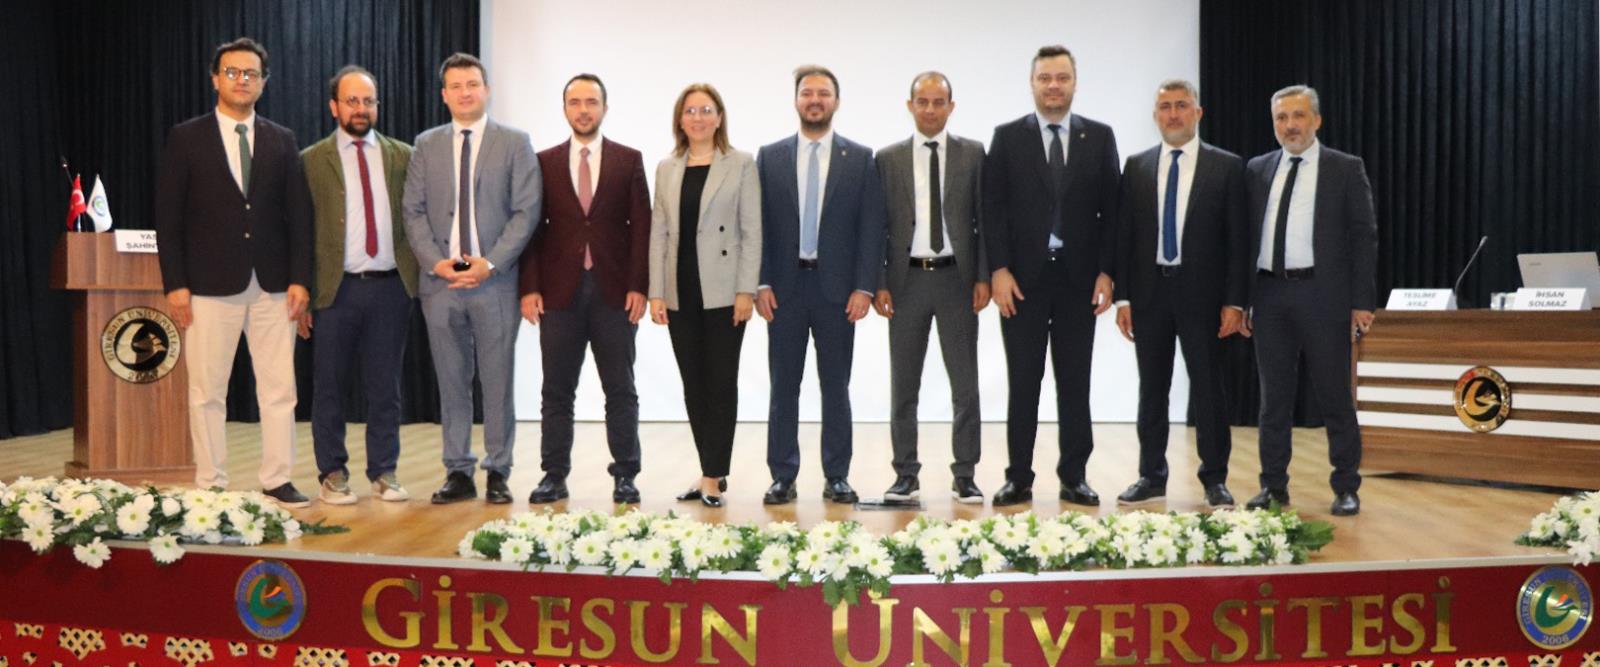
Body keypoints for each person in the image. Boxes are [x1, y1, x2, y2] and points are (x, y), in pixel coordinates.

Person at [153, 37, 313, 507]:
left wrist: (301, 278)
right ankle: (211, 482)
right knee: (206, 390)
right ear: (215, 79)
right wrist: (175, 283)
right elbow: (169, 217)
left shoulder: (283, 139)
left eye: (251, 73)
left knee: (280, 389)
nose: (242, 80)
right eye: (232, 72)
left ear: (263, 82)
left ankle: (278, 478)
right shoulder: (186, 138)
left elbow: (300, 216)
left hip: (274, 285)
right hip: (207, 286)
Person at [982, 45, 1121, 507]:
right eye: (1045, 78)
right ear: (1032, 84)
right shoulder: (1007, 138)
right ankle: (1018, 477)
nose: (1054, 86)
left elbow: (1112, 212)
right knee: (1024, 382)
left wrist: (1107, 272)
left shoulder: (1099, 137)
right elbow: (993, 209)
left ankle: (1074, 476)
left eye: (1062, 78)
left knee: (1074, 383)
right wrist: (999, 269)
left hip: (1079, 281)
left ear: (1074, 83)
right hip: (1021, 283)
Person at [402, 52, 541, 505]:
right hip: (441, 283)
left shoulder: (514, 142)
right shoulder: (425, 145)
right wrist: (435, 262)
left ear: (487, 90)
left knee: (497, 382)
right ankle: (457, 470)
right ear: (444, 95)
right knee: (451, 381)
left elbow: (526, 211)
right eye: (456, 86)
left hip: (495, 282)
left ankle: (498, 469)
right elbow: (413, 211)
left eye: (472, 84)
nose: (465, 93)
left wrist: (491, 263)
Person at [1240, 84, 1377, 517]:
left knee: (1334, 395)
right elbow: (1245, 238)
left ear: (1316, 120)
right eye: (1281, 118)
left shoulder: (1344, 168)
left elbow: (1363, 237)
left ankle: (1346, 485)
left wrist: (1362, 301)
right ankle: (1272, 486)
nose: (1290, 125)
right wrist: (1242, 300)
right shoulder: (1258, 169)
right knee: (1273, 400)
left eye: (1298, 116)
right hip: (1270, 294)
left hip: (1323, 295)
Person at [1111, 79, 1248, 509]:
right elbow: (1124, 237)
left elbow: (1239, 242)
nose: (1173, 114)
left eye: (1182, 105)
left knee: (1209, 388)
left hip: (1204, 298)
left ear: (1198, 112)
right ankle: (1151, 475)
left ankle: (1215, 478)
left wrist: (1235, 301)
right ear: (1155, 115)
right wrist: (1123, 299)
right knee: (1152, 389)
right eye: (1166, 107)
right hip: (1149, 294)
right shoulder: (1136, 166)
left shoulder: (1226, 167)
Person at [755, 65, 886, 505]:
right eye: (807, 92)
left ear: (836, 101)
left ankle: (837, 475)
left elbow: (871, 228)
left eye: (823, 93)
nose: (815, 100)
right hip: (784, 290)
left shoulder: (860, 158)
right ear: (796, 100)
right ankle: (782, 475)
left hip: (838, 293)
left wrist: (864, 287)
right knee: (783, 387)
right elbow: (759, 226)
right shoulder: (770, 157)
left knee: (836, 386)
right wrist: (761, 282)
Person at [518, 74, 651, 505]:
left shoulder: (629, 160)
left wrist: (639, 285)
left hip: (615, 293)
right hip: (559, 295)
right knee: (556, 390)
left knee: (620, 388)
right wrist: (529, 287)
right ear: (564, 109)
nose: (583, 110)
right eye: (574, 102)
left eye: (591, 102)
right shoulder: (543, 162)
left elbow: (642, 228)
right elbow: (532, 229)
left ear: (604, 108)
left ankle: (625, 474)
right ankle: (553, 475)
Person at [298, 65, 418, 504]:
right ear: (335, 107)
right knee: (329, 385)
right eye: (352, 101)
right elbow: (300, 232)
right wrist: (302, 291)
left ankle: (384, 471)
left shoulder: (403, 156)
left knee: (385, 387)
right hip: (335, 290)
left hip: (391, 288)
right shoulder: (311, 160)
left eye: (368, 101)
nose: (361, 108)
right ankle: (332, 472)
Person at [872, 71, 988, 504]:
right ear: (910, 106)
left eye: (939, 102)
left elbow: (984, 221)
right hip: (906, 282)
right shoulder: (888, 159)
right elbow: (878, 227)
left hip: (958, 280)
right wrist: (879, 283)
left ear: (951, 107)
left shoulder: (973, 154)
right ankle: (906, 474)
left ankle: (965, 473)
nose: (931, 109)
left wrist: (983, 276)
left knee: (965, 385)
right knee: (904, 385)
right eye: (923, 101)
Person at [647, 83, 761, 507]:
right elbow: (659, 232)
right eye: (690, 110)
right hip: (680, 289)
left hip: (724, 290)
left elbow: (751, 230)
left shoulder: (741, 163)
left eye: (706, 110)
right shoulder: (667, 167)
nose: (698, 117)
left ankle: (714, 474)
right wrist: (656, 292)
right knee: (693, 384)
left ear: (719, 118)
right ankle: (707, 468)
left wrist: (746, 289)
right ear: (680, 119)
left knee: (720, 382)